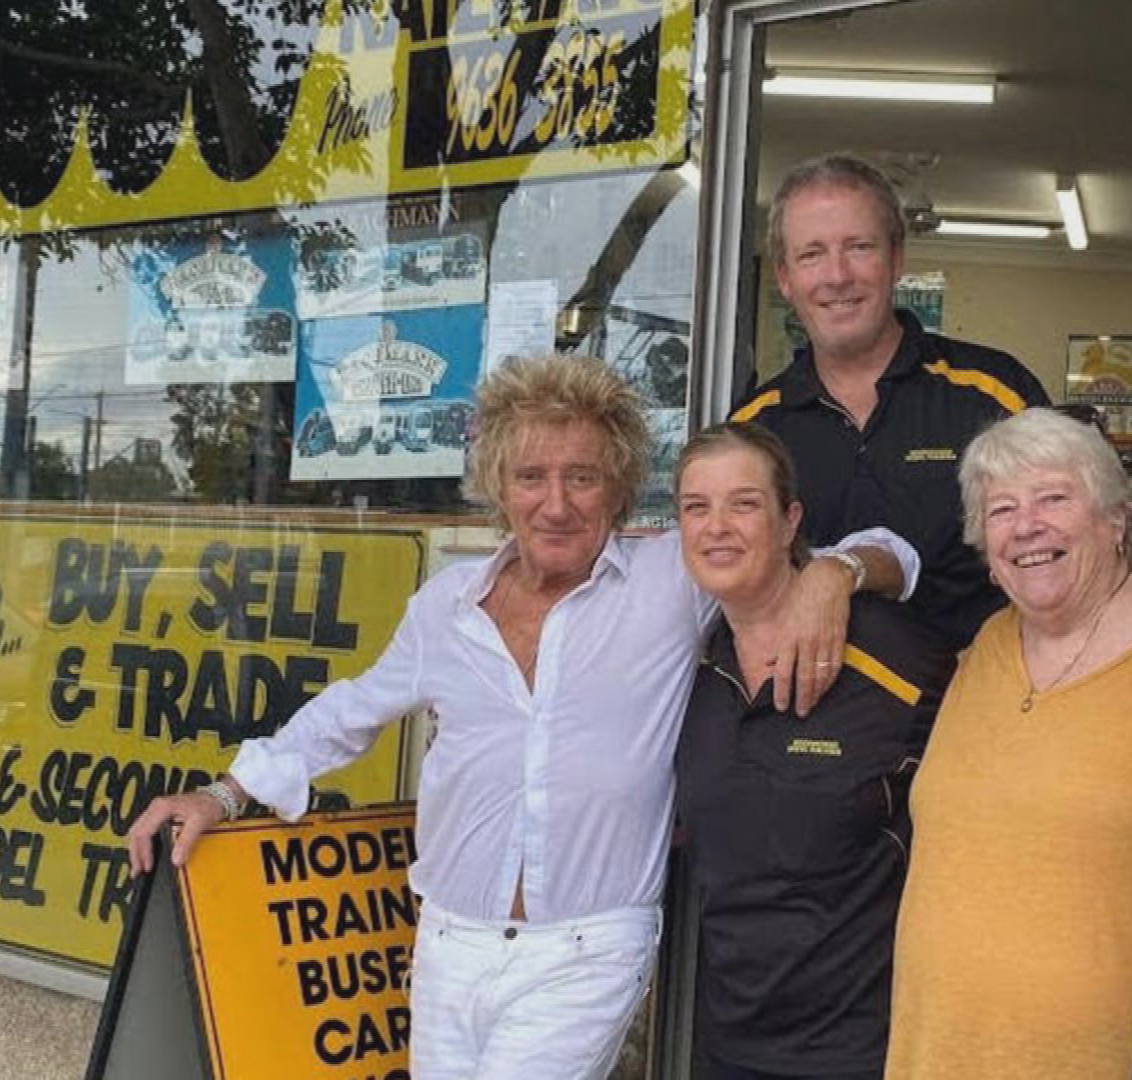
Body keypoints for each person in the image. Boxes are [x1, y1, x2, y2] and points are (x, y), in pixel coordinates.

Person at [123, 353, 919, 1080]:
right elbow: (349, 712)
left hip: (587, 946)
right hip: (447, 942)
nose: (557, 503)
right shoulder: (446, 607)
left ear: (618, 485)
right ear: (499, 489)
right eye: (532, 477)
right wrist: (221, 795)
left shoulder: (665, 583)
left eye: (583, 477)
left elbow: (894, 549)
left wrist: (836, 573)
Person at [883, 408, 1132, 1079]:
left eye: (1054, 499)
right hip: (938, 1054)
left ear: (1115, 518)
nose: (1027, 525)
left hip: (1106, 1059)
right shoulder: (983, 650)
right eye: (1002, 509)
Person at [672, 423, 951, 1080]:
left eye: (744, 504)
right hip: (724, 1043)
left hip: (865, 1049)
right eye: (696, 507)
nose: (718, 527)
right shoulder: (682, 670)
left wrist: (840, 570)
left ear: (789, 518)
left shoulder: (894, 658)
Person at [731, 152, 1052, 650]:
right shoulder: (753, 429)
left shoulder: (995, 395)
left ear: (896, 259)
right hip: (813, 714)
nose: (837, 276)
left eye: (859, 247)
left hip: (977, 704)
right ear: (785, 278)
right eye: (811, 254)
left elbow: (1072, 548)